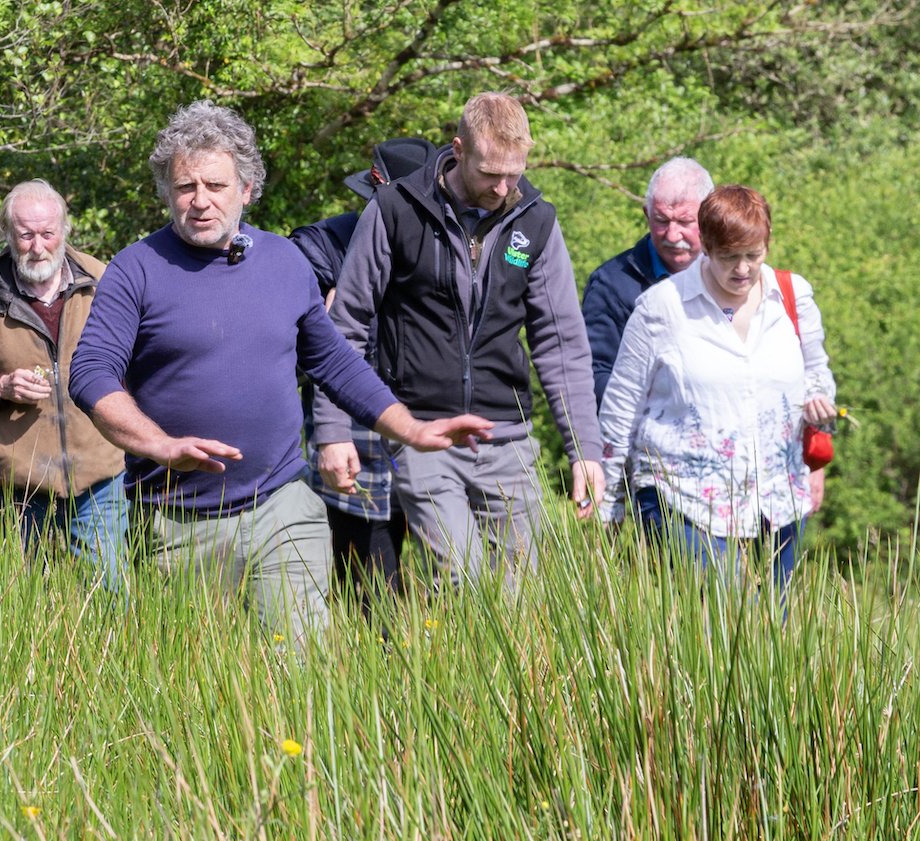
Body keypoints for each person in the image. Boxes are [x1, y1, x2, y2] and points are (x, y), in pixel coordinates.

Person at [68, 101, 491, 638]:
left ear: (247, 189)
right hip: (178, 519)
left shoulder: (284, 262)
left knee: (300, 670)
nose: (200, 201)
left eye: (216, 186)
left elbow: (333, 360)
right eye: (185, 187)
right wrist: (159, 445)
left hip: (283, 505)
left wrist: (408, 427)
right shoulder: (137, 268)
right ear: (166, 192)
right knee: (198, 686)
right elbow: (90, 372)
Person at [322, 92, 602, 587]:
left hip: (507, 437)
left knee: (522, 593)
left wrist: (584, 450)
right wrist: (333, 432)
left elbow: (561, 345)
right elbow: (345, 326)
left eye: (514, 173)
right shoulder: (396, 209)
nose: (502, 187)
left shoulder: (535, 221)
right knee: (461, 577)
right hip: (421, 429)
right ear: (458, 149)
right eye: (490, 173)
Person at [598, 185, 836, 593]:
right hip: (683, 495)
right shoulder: (661, 309)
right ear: (705, 246)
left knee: (771, 635)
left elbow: (816, 371)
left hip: (777, 496)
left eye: (753, 255)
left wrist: (820, 405)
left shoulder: (794, 297)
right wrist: (610, 504)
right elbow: (621, 408)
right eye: (729, 257)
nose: (742, 269)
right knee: (718, 619)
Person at [0, 180, 130, 590]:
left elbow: (132, 368)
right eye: (26, 235)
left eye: (48, 233)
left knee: (110, 594)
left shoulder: (103, 280)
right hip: (15, 481)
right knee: (14, 599)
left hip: (98, 474)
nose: (38, 246)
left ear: (65, 230)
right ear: (9, 234)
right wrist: (0, 387)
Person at [296, 137, 433, 608]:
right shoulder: (322, 245)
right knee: (370, 583)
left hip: (427, 420)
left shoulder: (440, 247)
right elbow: (302, 348)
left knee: (454, 572)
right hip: (354, 426)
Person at [582, 157, 713, 404]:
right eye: (662, 221)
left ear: (710, 217)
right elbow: (593, 374)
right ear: (647, 214)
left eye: (685, 222)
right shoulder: (611, 285)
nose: (673, 236)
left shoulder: (734, 276)